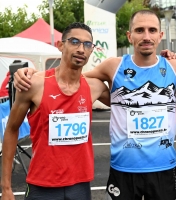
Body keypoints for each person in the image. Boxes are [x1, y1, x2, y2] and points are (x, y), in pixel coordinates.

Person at [13, 10, 176, 200]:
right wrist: (31, 74)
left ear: (161, 35)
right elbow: (72, 77)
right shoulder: (113, 66)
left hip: (164, 168)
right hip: (123, 169)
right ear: (129, 35)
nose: (146, 36)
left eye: (152, 31)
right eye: (140, 30)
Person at [1, 22, 111, 200]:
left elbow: (127, 96)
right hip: (42, 186)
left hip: (80, 185)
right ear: (60, 45)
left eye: (87, 44)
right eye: (74, 41)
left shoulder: (95, 87)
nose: (81, 49)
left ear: (92, 50)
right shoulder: (34, 84)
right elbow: (12, 130)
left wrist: (170, 61)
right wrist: (6, 187)